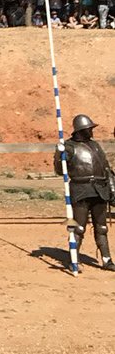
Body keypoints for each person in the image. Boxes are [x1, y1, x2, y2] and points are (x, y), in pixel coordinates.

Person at [54, 115, 115, 271]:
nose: (91, 131)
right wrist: (59, 156)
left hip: (100, 190)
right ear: (81, 130)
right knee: (78, 227)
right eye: (89, 129)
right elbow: (60, 170)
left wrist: (112, 189)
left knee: (101, 227)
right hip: (81, 190)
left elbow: (106, 169)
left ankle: (107, 260)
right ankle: (74, 260)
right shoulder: (68, 146)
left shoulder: (95, 146)